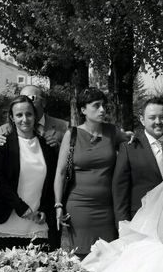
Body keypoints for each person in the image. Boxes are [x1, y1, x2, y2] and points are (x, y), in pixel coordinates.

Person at [0, 85, 68, 248]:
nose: (25, 119)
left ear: (35, 115)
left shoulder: (46, 145)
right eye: (19, 115)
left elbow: (51, 180)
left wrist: (44, 209)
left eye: (29, 114)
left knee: (41, 263)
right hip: (9, 216)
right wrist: (21, 208)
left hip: (38, 219)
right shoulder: (3, 143)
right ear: (12, 117)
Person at [53, 88, 127, 258]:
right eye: (96, 106)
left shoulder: (112, 132)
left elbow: (133, 144)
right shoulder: (72, 134)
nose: (102, 110)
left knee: (109, 256)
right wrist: (58, 204)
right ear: (83, 110)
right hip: (80, 207)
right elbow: (60, 172)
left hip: (108, 207)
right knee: (83, 256)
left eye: (104, 105)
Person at [113, 97, 163, 222]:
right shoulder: (129, 148)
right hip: (140, 219)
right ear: (142, 120)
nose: (158, 122)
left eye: (162, 117)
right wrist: (123, 225)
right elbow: (120, 192)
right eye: (152, 118)